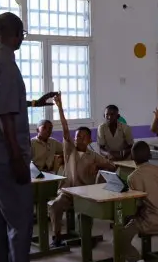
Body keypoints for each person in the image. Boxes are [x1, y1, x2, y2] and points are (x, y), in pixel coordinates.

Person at [0, 11, 56, 262]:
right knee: (22, 220)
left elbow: (6, 103)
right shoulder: (8, 65)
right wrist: (17, 159)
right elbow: (7, 115)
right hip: (7, 154)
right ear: (16, 33)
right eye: (22, 33)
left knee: (2, 218)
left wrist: (36, 102)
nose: (22, 38)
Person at [49, 94, 116, 246]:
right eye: (78, 136)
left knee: (86, 212)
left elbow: (112, 166)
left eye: (84, 137)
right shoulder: (69, 150)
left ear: (90, 140)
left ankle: (85, 238)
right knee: (55, 206)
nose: (79, 139)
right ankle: (57, 236)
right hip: (67, 192)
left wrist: (98, 166)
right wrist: (60, 107)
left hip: (85, 193)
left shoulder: (93, 155)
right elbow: (65, 129)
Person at [118, 141, 158, 262]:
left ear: (132, 157)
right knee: (128, 223)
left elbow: (137, 205)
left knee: (120, 236)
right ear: (149, 155)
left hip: (150, 220)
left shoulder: (133, 177)